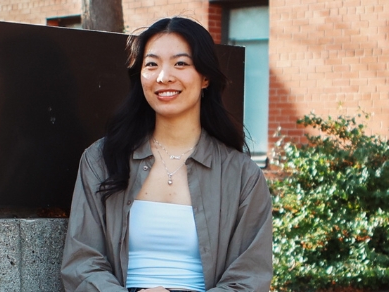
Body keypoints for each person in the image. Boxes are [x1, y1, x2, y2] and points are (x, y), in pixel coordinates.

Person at [60, 16, 273, 292]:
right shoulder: (101, 160)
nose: (163, 76)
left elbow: (249, 279)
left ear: (205, 77)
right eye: (152, 64)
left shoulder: (243, 176)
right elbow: (81, 264)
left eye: (180, 63)